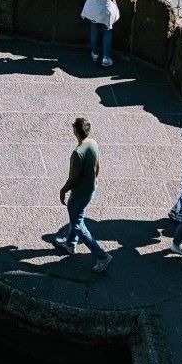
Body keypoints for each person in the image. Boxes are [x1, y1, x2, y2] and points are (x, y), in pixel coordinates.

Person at [50, 115, 110, 272]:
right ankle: (70, 244)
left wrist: (63, 190)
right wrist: (94, 181)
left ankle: (102, 256)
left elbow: (73, 178)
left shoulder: (77, 153)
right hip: (90, 189)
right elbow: (98, 166)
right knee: (77, 217)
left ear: (75, 131)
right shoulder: (93, 143)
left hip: (79, 193)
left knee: (78, 224)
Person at [81, 0, 120, 69]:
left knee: (94, 30)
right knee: (107, 31)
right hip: (105, 9)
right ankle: (106, 58)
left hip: (92, 7)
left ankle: (95, 54)